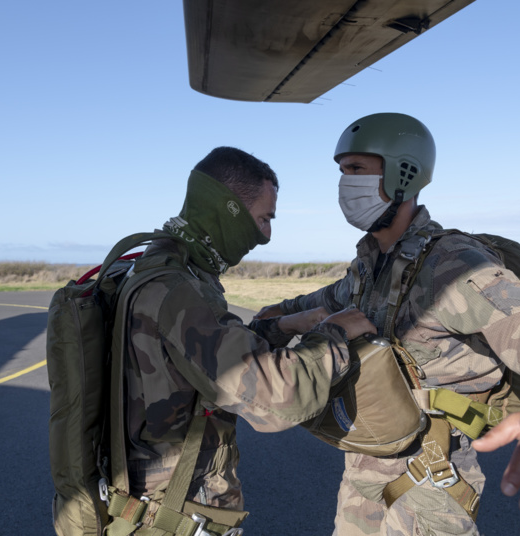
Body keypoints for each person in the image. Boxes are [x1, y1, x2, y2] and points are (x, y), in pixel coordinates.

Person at [253, 113, 520, 536]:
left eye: (356, 170)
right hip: (363, 467)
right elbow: (306, 305)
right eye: (341, 172)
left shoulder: (453, 265)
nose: (344, 185)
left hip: (428, 479)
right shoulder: (368, 268)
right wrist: (282, 318)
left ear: (402, 174)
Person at [117, 146, 376, 534]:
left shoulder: (159, 266)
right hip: (179, 513)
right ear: (229, 209)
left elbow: (203, 362)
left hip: (153, 506)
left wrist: (284, 325)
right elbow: (275, 399)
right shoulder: (179, 290)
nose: (265, 236)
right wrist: (336, 333)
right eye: (263, 219)